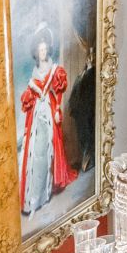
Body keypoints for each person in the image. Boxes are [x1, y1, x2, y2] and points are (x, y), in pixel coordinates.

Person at [19, 28, 79, 215]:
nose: (43, 53)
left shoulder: (54, 70)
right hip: (37, 113)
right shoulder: (35, 71)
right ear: (36, 52)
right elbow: (31, 93)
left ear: (48, 51)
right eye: (40, 50)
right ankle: (34, 195)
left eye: (45, 50)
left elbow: (58, 92)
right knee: (36, 150)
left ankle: (46, 190)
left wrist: (57, 110)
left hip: (50, 109)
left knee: (49, 148)